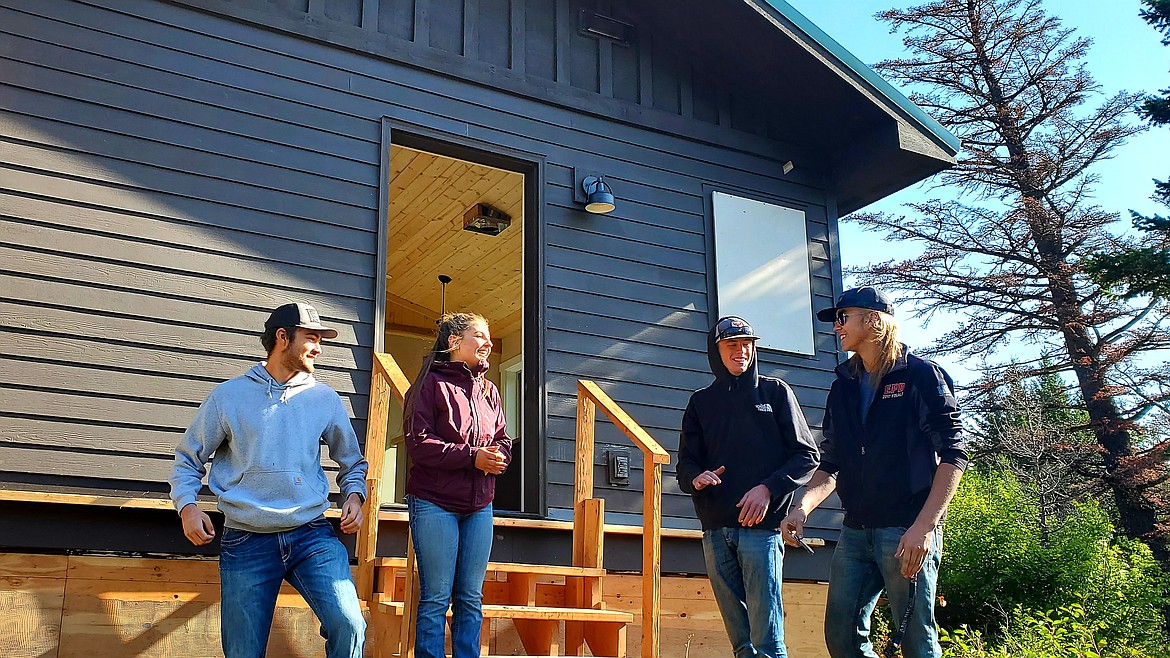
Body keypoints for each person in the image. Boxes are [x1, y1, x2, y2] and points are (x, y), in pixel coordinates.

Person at [168, 302, 369, 658]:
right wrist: (187, 507)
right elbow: (188, 459)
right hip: (246, 540)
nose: (319, 348)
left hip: (311, 534)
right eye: (311, 338)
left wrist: (354, 495)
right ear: (282, 337)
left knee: (349, 623)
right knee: (243, 652)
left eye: (321, 339)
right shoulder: (228, 397)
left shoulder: (324, 398)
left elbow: (352, 462)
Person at [781, 286, 968, 658]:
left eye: (842, 317)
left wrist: (924, 527)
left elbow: (954, 454)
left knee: (917, 641)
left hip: (906, 530)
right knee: (842, 638)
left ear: (872, 320)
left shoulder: (921, 376)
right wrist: (802, 508)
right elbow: (831, 464)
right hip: (854, 532)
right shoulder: (842, 387)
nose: (836, 327)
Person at [676, 316, 821, 658]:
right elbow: (685, 465)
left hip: (762, 531)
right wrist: (696, 478)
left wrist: (768, 489)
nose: (741, 352)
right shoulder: (700, 402)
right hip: (715, 530)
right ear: (717, 351)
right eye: (732, 346)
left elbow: (807, 455)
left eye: (747, 345)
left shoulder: (775, 392)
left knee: (767, 642)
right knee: (742, 644)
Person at [403, 312, 511, 658]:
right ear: (454, 341)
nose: (488, 343)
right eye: (480, 336)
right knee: (436, 596)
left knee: (471, 597)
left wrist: (500, 456)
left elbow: (502, 437)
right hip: (434, 502)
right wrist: (472, 457)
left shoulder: (489, 390)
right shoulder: (428, 384)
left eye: (489, 337)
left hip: (479, 505)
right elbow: (419, 445)